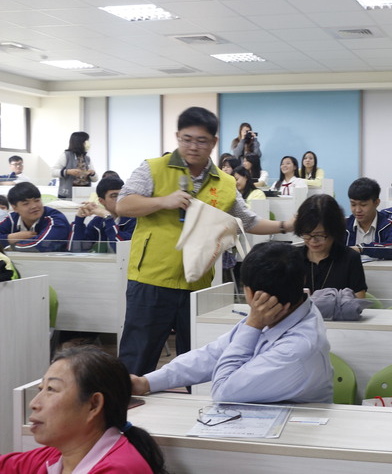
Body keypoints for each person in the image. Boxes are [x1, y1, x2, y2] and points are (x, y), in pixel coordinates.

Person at [115, 106, 292, 376]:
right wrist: (163, 201)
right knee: (136, 360)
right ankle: (124, 402)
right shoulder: (153, 168)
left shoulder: (225, 182)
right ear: (177, 137)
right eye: (186, 139)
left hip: (197, 284)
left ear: (214, 142)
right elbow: (123, 204)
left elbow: (246, 220)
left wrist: (285, 225)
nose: (193, 147)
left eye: (201, 141)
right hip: (151, 279)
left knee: (196, 363)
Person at [131, 242, 334, 404]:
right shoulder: (279, 311)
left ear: (252, 294)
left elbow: (223, 391)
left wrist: (253, 325)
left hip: (292, 433)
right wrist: (147, 382)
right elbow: (213, 354)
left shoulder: (296, 347)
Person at [0, 345, 167, 473]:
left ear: (94, 405)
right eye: (40, 389)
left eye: (51, 389)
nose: (34, 403)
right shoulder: (56, 456)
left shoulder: (118, 469)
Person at [296, 194, 367, 298]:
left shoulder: (350, 258)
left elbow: (359, 299)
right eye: (307, 234)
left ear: (334, 231)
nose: (313, 241)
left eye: (320, 235)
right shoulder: (294, 258)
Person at [70, 176, 136, 252]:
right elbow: (75, 250)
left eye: (122, 195)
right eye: (114, 196)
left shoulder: (134, 220)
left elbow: (122, 250)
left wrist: (108, 217)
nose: (120, 199)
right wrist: (79, 220)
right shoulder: (97, 223)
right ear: (101, 201)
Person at [0, 182, 70, 252]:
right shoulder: (12, 219)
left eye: (37, 201)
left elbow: (43, 245)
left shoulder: (56, 219)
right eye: (26, 204)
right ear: (15, 208)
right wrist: (11, 237)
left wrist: (12, 246)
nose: (34, 206)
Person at [345, 177, 392, 260]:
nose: (357, 210)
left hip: (379, 268)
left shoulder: (388, 225)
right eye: (353, 204)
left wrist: (362, 248)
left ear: (376, 203)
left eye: (363, 205)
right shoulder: (343, 225)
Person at [52, 132, 98, 199]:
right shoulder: (66, 155)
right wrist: (68, 171)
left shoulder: (87, 158)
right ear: (79, 142)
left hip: (84, 195)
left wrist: (92, 173)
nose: (88, 143)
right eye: (86, 141)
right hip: (67, 195)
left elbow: (95, 179)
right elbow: (53, 172)